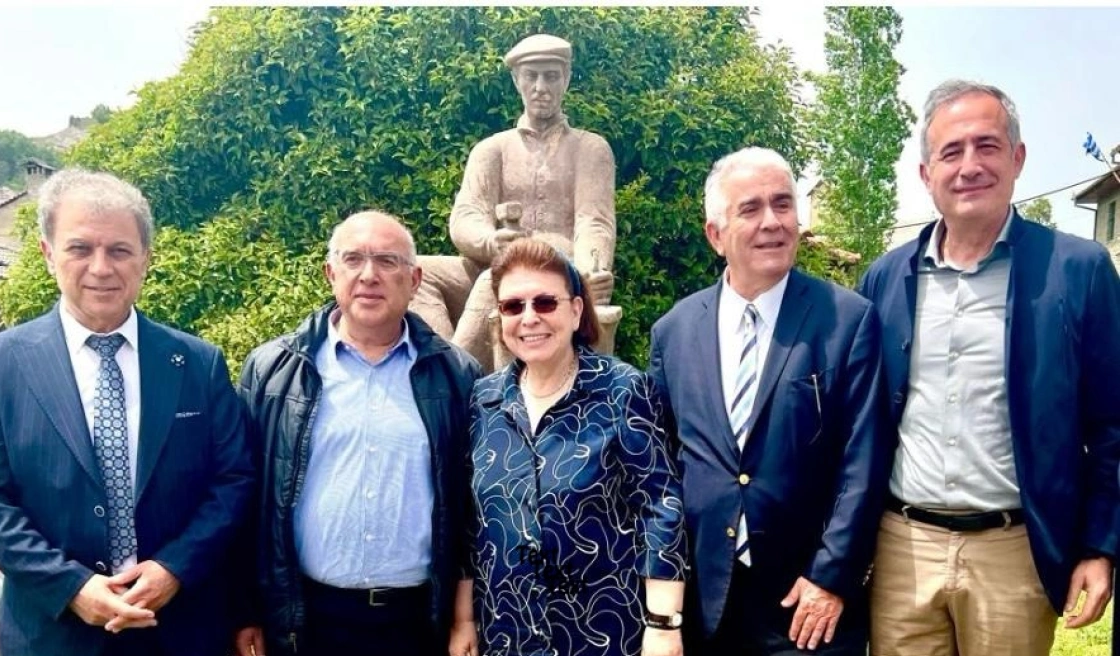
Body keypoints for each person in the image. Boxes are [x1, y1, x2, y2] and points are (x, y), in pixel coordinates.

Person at [858, 79, 1120, 656]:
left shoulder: (1077, 270)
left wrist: (1099, 546)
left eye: (987, 146)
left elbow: (1112, 424)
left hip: (1015, 552)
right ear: (926, 173)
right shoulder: (885, 279)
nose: (969, 166)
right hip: (903, 549)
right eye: (951, 152)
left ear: (1018, 158)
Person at [0, 168, 255, 656]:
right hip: (51, 636)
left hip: (180, 631)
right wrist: (70, 586)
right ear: (48, 254)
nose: (101, 267)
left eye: (119, 250)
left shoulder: (197, 363)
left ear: (145, 258)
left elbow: (234, 479)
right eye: (80, 248)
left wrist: (174, 568)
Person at [648, 147, 892, 656]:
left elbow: (864, 463)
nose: (772, 222)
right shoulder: (673, 332)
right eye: (750, 208)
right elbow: (662, 474)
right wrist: (665, 604)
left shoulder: (847, 320)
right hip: (705, 605)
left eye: (783, 204)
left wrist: (830, 577)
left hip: (806, 607)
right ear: (716, 235)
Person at [234, 210, 482, 656]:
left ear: (415, 279)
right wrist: (245, 610)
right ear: (331, 274)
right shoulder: (272, 371)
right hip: (306, 618)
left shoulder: (457, 375)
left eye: (387, 261)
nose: (369, 275)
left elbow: (468, 508)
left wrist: (464, 618)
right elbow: (244, 495)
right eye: (353, 259)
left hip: (415, 622)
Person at [449, 238, 687, 656]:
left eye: (545, 303)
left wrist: (664, 625)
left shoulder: (623, 391)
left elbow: (660, 506)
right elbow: (472, 521)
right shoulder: (484, 400)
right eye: (513, 306)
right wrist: (464, 619)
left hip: (603, 631)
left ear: (576, 310)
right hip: (507, 633)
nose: (529, 318)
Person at [410, 33, 617, 368]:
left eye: (551, 76)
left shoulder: (589, 149)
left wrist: (593, 268)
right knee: (414, 273)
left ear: (565, 79)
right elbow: (466, 216)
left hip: (557, 268)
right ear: (516, 80)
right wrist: (491, 241)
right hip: (493, 262)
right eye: (531, 76)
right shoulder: (493, 150)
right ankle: (442, 360)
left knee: (494, 281)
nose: (540, 87)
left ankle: (453, 378)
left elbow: (594, 222)